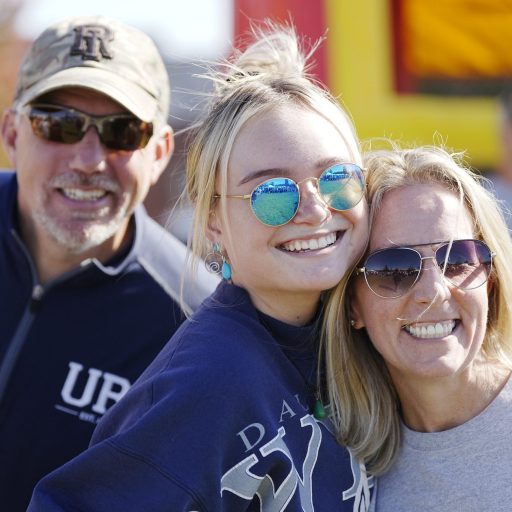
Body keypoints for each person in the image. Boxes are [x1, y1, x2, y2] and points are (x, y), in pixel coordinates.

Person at [28, 24, 373, 510]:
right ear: (213, 220)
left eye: (337, 179)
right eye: (272, 193)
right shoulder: (210, 377)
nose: (315, 210)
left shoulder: (360, 341)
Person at [0, 15, 217, 511]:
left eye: (122, 131)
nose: (89, 159)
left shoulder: (195, 326)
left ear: (160, 152)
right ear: (13, 132)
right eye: (59, 124)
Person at [323, 145, 512, 511]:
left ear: (490, 281)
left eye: (457, 259)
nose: (434, 291)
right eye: (394, 269)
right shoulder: (344, 468)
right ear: (351, 305)